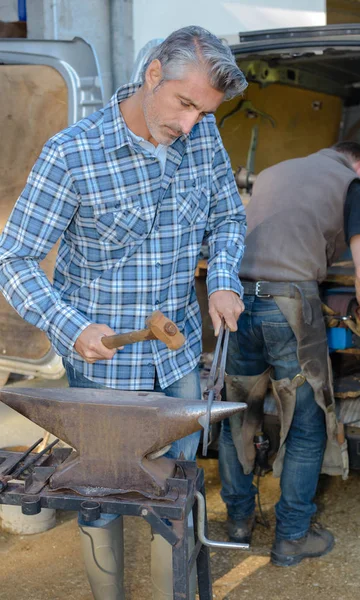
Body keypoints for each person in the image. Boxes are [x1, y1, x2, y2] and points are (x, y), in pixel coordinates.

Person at [0, 26, 247, 599]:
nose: (190, 124)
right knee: (100, 502)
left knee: (175, 495)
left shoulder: (203, 137)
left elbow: (229, 218)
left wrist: (223, 281)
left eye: (203, 112)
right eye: (185, 104)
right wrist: (71, 326)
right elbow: (13, 259)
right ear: (154, 72)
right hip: (103, 374)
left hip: (179, 356)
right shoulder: (72, 154)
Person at [218, 142, 360, 567]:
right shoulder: (353, 185)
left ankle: (237, 524)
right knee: (307, 427)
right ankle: (291, 537)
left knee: (240, 413)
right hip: (290, 305)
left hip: (239, 298)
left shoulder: (275, 170)